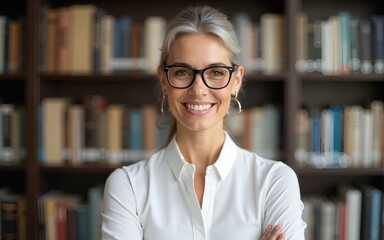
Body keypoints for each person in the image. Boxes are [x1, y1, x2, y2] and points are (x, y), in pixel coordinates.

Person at [102, 5, 306, 240]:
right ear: (163, 80)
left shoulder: (275, 181)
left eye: (216, 73)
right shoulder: (127, 187)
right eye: (182, 72)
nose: (198, 90)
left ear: (236, 81)